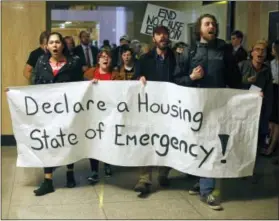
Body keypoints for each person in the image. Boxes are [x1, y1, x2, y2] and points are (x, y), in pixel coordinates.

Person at [174, 14, 242, 210]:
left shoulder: (224, 50)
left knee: (211, 145)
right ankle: (201, 180)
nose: (211, 26)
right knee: (197, 144)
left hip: (217, 108)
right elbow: (177, 79)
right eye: (207, 24)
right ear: (200, 28)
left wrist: (252, 94)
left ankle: (206, 190)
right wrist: (191, 77)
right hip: (194, 109)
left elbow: (235, 79)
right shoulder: (188, 51)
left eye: (214, 23)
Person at [31, 32, 84, 196]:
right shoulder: (41, 62)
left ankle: (70, 172)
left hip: (68, 111)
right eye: (51, 42)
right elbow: (36, 82)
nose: (54, 45)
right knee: (47, 142)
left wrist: (92, 84)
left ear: (63, 45)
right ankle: (48, 180)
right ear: (47, 46)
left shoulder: (73, 62)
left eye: (57, 42)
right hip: (47, 111)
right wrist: (16, 94)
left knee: (68, 140)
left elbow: (80, 84)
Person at [132, 25, 176, 195]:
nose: (162, 37)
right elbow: (138, 75)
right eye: (159, 34)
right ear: (153, 38)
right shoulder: (145, 58)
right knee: (148, 141)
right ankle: (144, 179)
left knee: (168, 140)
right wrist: (139, 78)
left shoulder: (176, 57)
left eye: (165, 34)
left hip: (171, 107)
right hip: (151, 107)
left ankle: (164, 172)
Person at [84, 50, 119, 183]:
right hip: (93, 112)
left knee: (108, 139)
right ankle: (94, 169)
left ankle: (107, 165)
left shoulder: (115, 75)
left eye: (108, 57)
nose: (105, 59)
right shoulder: (89, 74)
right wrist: (88, 85)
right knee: (94, 140)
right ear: (98, 60)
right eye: (102, 57)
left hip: (109, 113)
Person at [239, 40, 273, 153]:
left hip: (258, 109)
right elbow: (231, 84)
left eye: (263, 50)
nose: (261, 52)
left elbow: (269, 93)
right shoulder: (242, 65)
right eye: (257, 49)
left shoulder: (267, 71)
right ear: (252, 53)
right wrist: (245, 81)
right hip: (241, 108)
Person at [262, 40, 279, 157]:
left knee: (277, 121)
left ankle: (272, 147)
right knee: (272, 120)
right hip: (272, 91)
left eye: (273, 47)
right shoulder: (271, 63)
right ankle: (269, 144)